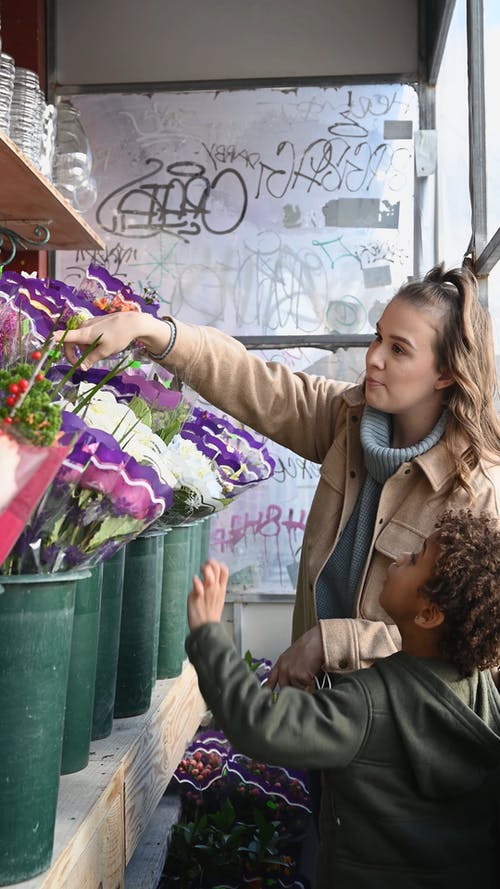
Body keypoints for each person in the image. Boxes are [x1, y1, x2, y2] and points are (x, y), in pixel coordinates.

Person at [56, 261, 500, 688]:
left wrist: (333, 642)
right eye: (377, 338)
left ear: (445, 373)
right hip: (318, 706)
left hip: (393, 735)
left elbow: (469, 645)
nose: (374, 359)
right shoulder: (349, 420)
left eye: (398, 350)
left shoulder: (475, 489)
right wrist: (151, 330)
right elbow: (256, 382)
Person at [185, 509, 500, 889]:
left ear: (429, 614)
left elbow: (258, 724)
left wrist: (208, 634)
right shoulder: (485, 694)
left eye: (415, 558)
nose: (399, 557)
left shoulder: (368, 705)